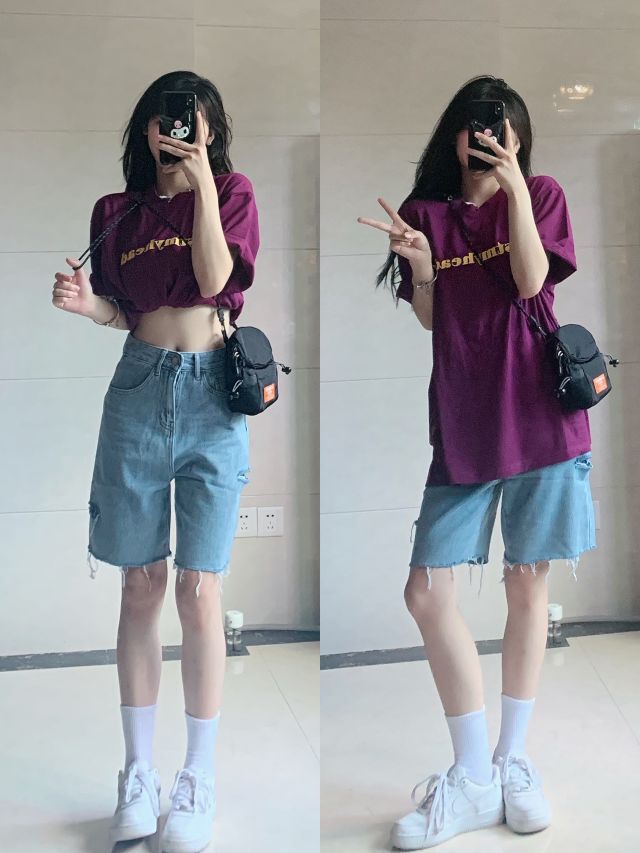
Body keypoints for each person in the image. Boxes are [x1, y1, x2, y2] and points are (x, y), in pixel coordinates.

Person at [358, 75, 595, 849]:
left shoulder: (542, 195)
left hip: (540, 415)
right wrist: (423, 265)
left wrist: (515, 186)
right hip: (465, 418)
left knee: (527, 582)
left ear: (519, 138)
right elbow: (433, 317)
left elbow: (530, 280)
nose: (487, 137)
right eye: (475, 125)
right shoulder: (426, 213)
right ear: (453, 136)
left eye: (501, 127)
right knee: (426, 590)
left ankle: (511, 758)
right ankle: (473, 774)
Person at [51, 70, 259, 853]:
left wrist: (201, 179)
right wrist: (90, 306)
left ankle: (196, 775)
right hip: (139, 388)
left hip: (213, 395)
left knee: (199, 590)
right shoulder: (117, 211)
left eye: (193, 122)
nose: (178, 131)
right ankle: (138, 771)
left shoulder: (231, 193)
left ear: (212, 131)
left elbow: (213, 280)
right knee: (141, 584)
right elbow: (126, 310)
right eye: (168, 121)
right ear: (146, 129)